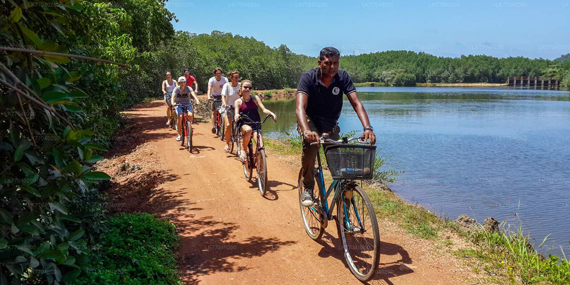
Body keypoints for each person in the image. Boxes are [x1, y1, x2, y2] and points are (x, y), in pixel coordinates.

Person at [296, 47, 376, 207]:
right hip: (310, 122)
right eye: (328, 63)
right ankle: (309, 188)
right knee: (312, 146)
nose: (332, 67)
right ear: (319, 63)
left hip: (331, 126)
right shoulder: (308, 78)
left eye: (335, 63)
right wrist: (306, 130)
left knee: (341, 168)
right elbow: (300, 108)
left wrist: (367, 127)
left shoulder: (342, 77)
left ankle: (344, 213)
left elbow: (356, 103)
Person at [234, 80, 276, 162]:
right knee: (248, 130)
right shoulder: (238, 102)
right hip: (244, 124)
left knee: (261, 146)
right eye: (245, 87)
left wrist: (272, 114)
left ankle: (260, 167)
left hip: (256, 124)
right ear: (241, 88)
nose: (247, 89)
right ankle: (244, 150)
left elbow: (264, 110)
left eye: (249, 87)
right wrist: (237, 115)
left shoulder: (255, 98)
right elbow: (236, 112)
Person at [171, 76, 200, 141]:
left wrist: (197, 100)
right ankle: (179, 134)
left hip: (187, 104)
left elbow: (193, 94)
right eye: (181, 82)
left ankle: (189, 126)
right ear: (179, 83)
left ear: (185, 83)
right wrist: (173, 102)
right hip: (178, 104)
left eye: (183, 82)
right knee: (180, 116)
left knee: (190, 115)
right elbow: (173, 96)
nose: (182, 84)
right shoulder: (176, 89)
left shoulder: (188, 88)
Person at [221, 70, 241, 152]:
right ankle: (227, 143)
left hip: (238, 108)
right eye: (235, 77)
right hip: (228, 108)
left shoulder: (240, 85)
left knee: (241, 124)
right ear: (231, 78)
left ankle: (238, 137)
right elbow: (223, 95)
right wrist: (224, 103)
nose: (237, 79)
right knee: (228, 125)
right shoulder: (227, 85)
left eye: (238, 77)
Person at [207, 68, 228, 134]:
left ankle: (223, 124)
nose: (218, 75)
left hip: (222, 96)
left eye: (220, 73)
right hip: (214, 96)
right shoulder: (212, 80)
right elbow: (209, 88)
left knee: (224, 111)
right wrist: (208, 96)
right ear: (215, 74)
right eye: (217, 73)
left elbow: (228, 87)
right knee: (214, 112)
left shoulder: (225, 79)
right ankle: (213, 126)